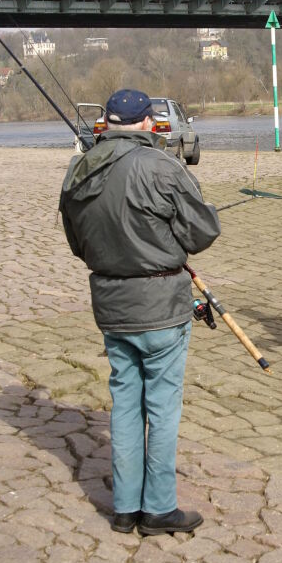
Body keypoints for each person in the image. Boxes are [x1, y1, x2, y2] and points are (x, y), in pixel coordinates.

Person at [59, 88, 221, 534]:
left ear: (105, 124)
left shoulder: (78, 169)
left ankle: (125, 508)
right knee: (162, 408)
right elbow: (202, 232)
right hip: (160, 307)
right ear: (149, 123)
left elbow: (78, 244)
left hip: (111, 305)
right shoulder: (163, 166)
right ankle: (158, 509)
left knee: (125, 406)